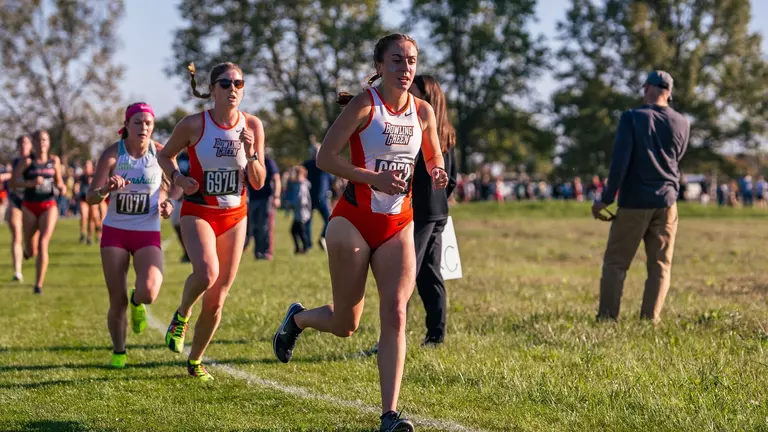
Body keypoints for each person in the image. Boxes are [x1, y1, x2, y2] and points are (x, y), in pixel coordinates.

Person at [272, 33, 448, 432]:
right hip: (352, 221)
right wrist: (373, 178)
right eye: (397, 60)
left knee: (396, 313)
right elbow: (325, 158)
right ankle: (298, 320)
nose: (405, 68)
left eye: (411, 61)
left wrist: (436, 169)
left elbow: (433, 151)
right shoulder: (364, 105)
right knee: (346, 324)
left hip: (398, 224)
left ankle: (390, 415)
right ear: (380, 65)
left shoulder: (423, 111)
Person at [157, 62, 266, 381]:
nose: (233, 89)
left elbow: (258, 182)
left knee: (217, 300)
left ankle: (195, 361)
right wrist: (178, 177)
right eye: (225, 83)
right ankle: (181, 315)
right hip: (199, 210)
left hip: (235, 216)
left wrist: (251, 152)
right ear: (212, 89)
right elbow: (164, 155)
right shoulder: (193, 124)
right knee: (207, 273)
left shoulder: (253, 125)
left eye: (238, 83)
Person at [592, 70, 690, 323]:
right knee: (660, 266)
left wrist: (606, 198)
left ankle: (607, 318)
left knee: (616, 263)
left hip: (634, 202)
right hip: (667, 202)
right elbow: (677, 158)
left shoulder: (632, 118)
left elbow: (620, 162)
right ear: (669, 93)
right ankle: (650, 320)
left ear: (646, 89)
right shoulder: (682, 122)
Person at [87, 102, 178, 368]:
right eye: (137, 122)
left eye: (148, 123)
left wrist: (169, 203)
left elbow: (177, 183)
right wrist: (106, 188)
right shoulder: (112, 154)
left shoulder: (160, 152)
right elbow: (90, 197)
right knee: (116, 300)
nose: (143, 127)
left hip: (147, 232)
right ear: (126, 125)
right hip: (115, 232)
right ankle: (119, 351)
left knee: (149, 291)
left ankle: (138, 301)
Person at [407, 75, 457, 347]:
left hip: (421, 212)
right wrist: (441, 200)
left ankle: (392, 338)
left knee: (405, 274)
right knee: (430, 274)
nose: (409, 98)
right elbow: (453, 178)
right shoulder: (447, 132)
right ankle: (436, 336)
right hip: (439, 212)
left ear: (427, 98)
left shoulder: (420, 129)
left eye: (414, 93)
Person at [11, 130, 66, 295]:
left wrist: (62, 187)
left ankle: (38, 285)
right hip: (29, 206)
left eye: (44, 140)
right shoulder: (27, 162)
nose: (41, 143)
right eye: (38, 140)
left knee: (43, 242)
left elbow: (59, 181)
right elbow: (13, 183)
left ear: (48, 143)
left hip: (49, 205)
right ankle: (28, 251)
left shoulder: (54, 161)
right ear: (33, 144)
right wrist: (30, 183)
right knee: (31, 248)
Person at [244, 148, 280, 260]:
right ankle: (258, 252)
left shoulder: (268, 162)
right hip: (252, 199)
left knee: (265, 226)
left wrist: (276, 196)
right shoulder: (248, 163)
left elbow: (276, 179)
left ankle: (266, 252)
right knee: (254, 227)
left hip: (266, 198)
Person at [5, 136, 32, 282]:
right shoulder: (15, 162)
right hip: (15, 200)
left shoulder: (35, 161)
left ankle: (28, 249)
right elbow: (12, 181)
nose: (23, 146)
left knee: (32, 243)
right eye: (20, 143)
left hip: (31, 202)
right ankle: (18, 271)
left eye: (26, 143)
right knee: (16, 234)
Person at [302, 135, 333, 251]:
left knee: (308, 221)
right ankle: (322, 237)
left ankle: (308, 244)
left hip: (310, 196)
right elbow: (331, 179)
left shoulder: (306, 164)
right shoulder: (322, 164)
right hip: (321, 196)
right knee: (330, 219)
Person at [170, 149, 191, 262]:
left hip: (194, 196)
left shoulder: (199, 153)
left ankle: (192, 252)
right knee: (176, 223)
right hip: (179, 197)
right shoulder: (180, 156)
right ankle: (187, 251)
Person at [75, 160, 101, 245]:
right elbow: (77, 185)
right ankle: (83, 233)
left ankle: (90, 236)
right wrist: (76, 189)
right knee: (83, 215)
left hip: (93, 199)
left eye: (88, 166)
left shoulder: (95, 176)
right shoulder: (81, 177)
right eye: (85, 166)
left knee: (92, 218)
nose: (86, 168)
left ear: (91, 167)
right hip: (84, 198)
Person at [290, 165, 311, 254]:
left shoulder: (302, 186)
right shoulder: (298, 185)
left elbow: (302, 199)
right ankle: (299, 248)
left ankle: (305, 248)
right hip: (298, 212)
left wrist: (293, 204)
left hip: (302, 213)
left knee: (300, 231)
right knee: (295, 231)